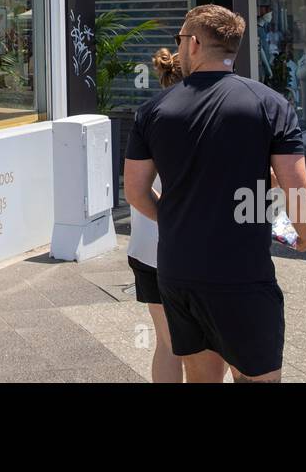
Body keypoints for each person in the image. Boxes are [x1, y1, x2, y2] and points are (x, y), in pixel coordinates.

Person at [125, 4, 306, 384]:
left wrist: (175, 219)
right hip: (242, 273)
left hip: (178, 272)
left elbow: (135, 190)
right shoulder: (270, 104)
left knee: (201, 378)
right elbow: (298, 189)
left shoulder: (154, 109)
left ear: (194, 43)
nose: (178, 47)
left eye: (180, 39)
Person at [126, 47, 183, 383]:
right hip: (187, 249)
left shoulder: (149, 115)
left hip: (146, 247)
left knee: (166, 343)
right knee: (209, 343)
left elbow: (136, 189)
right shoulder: (200, 119)